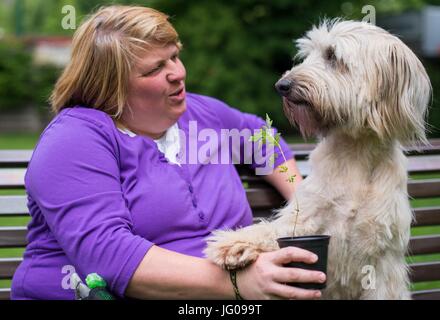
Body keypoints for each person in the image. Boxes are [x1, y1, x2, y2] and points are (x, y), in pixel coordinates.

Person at [11, 5, 325, 300]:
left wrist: (302, 201)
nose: (177, 73)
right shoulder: (75, 140)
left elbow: (263, 140)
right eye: (155, 69)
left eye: (174, 56)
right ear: (110, 86)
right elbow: (107, 254)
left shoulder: (202, 116)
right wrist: (237, 282)